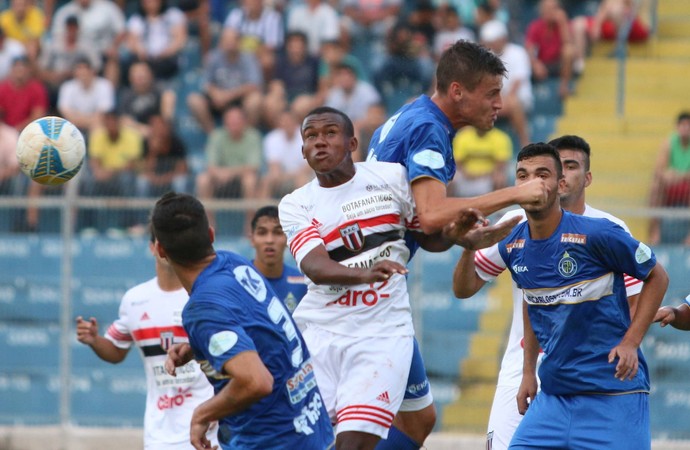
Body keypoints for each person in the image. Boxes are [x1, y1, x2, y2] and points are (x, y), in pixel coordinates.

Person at [366, 39, 548, 449]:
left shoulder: (413, 115)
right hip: (371, 294)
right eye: (492, 94)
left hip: (377, 284)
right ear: (457, 92)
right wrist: (514, 194)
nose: (499, 104)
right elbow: (431, 214)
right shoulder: (430, 129)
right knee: (365, 427)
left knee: (417, 420)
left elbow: (422, 230)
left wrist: (462, 238)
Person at [278, 106, 495, 450]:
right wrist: (365, 273)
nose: (320, 142)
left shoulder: (390, 177)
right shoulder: (295, 203)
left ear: (352, 143)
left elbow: (425, 237)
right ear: (303, 150)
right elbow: (315, 267)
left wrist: (454, 235)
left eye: (330, 133)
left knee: (359, 440)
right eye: (311, 136)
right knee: (310, 439)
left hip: (380, 332)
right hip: (319, 331)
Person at [453, 135, 645, 449]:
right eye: (558, 167)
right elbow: (465, 287)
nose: (564, 175)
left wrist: (628, 346)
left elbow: (637, 301)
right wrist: (467, 249)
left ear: (586, 177)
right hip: (523, 367)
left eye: (572, 166)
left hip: (588, 373)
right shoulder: (513, 223)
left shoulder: (609, 228)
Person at [154, 192, 334, 450]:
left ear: (160, 250)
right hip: (311, 427)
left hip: (271, 440)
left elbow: (256, 381)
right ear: (211, 235)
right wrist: (198, 348)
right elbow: (259, 329)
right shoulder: (234, 263)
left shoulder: (202, 308)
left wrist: (202, 414)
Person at [75, 231, 219, 450]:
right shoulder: (135, 300)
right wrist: (95, 340)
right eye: (163, 241)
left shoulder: (203, 293)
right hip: (158, 435)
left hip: (206, 431)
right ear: (153, 247)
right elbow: (116, 351)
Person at [479, 20, 532, 148]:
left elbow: (517, 83)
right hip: (495, 98)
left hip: (517, 98)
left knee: (513, 101)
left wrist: (499, 100)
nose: (490, 44)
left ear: (503, 38)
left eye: (493, 40)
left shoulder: (517, 52)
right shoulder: (485, 57)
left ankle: (525, 141)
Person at [250, 205, 306, 313]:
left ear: (288, 238)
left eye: (278, 233)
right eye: (262, 233)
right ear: (252, 239)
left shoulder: (303, 283)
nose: (270, 240)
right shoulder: (239, 281)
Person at [648, 111, 690, 246]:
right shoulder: (669, 142)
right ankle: (655, 231)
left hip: (686, 186)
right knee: (655, 186)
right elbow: (658, 170)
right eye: (683, 125)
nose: (685, 128)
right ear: (677, 127)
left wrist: (679, 175)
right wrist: (667, 175)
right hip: (671, 186)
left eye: (688, 125)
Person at [524, 0, 574, 98]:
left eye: (553, 9)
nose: (550, 12)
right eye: (547, 9)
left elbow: (568, 44)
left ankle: (563, 87)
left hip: (559, 63)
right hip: (542, 63)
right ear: (541, 11)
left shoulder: (562, 24)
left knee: (569, 51)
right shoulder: (535, 26)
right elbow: (529, 49)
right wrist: (535, 64)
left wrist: (563, 23)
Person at [450, 125, 512, 198]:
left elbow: (501, 164)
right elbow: (457, 162)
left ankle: (498, 207)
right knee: (449, 179)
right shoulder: (463, 136)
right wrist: (467, 173)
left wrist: (482, 174)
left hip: (489, 176)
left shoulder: (500, 137)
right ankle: (450, 206)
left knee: (500, 179)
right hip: (466, 175)